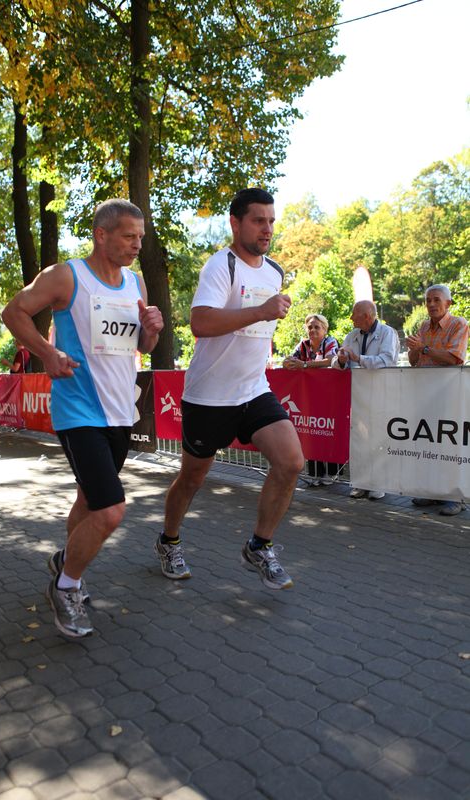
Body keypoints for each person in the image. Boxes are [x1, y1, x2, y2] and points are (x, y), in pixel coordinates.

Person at [2, 199, 163, 638]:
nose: (137, 244)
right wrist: (48, 353)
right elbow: (13, 312)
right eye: (129, 236)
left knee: (89, 502)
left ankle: (65, 561)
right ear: (101, 235)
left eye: (140, 236)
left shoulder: (136, 283)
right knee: (110, 510)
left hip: (120, 412)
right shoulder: (66, 276)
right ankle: (67, 586)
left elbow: (142, 347)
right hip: (78, 410)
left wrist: (151, 330)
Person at [156, 188, 304, 590]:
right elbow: (200, 322)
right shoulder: (221, 266)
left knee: (291, 462)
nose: (267, 229)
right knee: (192, 479)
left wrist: (264, 322)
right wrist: (260, 311)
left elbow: (259, 330)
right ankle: (169, 540)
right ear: (236, 223)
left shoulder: (274, 271)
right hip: (209, 396)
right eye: (258, 220)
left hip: (254, 389)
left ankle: (259, 545)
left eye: (271, 221)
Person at [406, 284, 469, 516]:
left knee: (450, 446)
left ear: (448, 303)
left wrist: (423, 348)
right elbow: (413, 361)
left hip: (450, 395)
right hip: (426, 395)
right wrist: (414, 349)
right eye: (428, 300)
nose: (431, 304)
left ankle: (455, 497)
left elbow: (455, 357)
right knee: (429, 445)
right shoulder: (423, 326)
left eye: (436, 300)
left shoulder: (459, 324)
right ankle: (432, 492)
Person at [331, 299, 399, 500]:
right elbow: (337, 361)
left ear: (367, 316)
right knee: (359, 440)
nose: (351, 317)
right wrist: (341, 360)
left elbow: (387, 360)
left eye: (354, 314)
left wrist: (358, 358)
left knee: (379, 439)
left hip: (380, 394)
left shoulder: (387, 333)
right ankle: (360, 483)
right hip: (358, 396)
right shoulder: (352, 335)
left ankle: (378, 484)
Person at [283, 313, 341, 486]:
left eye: (317, 327)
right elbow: (290, 359)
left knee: (329, 432)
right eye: (310, 327)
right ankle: (315, 473)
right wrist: (288, 362)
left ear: (325, 329)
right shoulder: (303, 345)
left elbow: (331, 360)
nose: (313, 330)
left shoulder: (330, 342)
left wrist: (305, 365)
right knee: (312, 432)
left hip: (331, 395)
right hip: (310, 396)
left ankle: (332, 473)